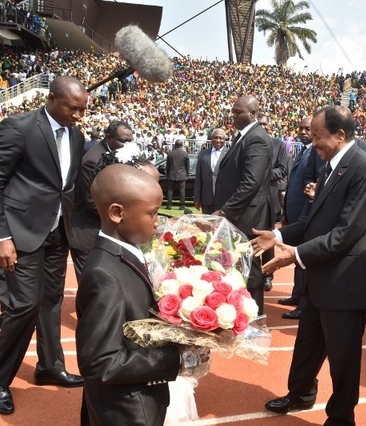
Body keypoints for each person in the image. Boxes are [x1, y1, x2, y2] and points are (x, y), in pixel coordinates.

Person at [251, 105, 366, 426]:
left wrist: (294, 255)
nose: (313, 144)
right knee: (308, 343)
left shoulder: (363, 168)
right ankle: (300, 393)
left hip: (346, 280)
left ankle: (341, 418)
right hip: (322, 275)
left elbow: (347, 231)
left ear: (340, 135)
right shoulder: (330, 166)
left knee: (343, 357)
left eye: (317, 137)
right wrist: (278, 234)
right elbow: (313, 221)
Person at [75, 164, 209, 426]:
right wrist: (178, 357)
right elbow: (100, 362)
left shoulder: (129, 252)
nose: (158, 221)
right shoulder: (104, 275)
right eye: (152, 213)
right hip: (127, 411)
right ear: (117, 213)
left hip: (139, 400)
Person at [0, 76, 88, 415]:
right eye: (72, 108)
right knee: (23, 304)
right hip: (20, 233)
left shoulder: (77, 136)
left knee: (51, 300)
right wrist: (3, 237)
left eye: (82, 110)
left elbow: (67, 187)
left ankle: (49, 366)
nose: (78, 115)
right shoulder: (18, 128)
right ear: (51, 99)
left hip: (57, 232)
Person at [213, 95, 272, 316]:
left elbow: (251, 182)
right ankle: (241, 314)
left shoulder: (256, 138)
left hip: (247, 218)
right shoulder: (244, 137)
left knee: (251, 272)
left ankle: (253, 317)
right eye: (234, 111)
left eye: (238, 112)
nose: (234, 116)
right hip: (240, 216)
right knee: (238, 268)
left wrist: (226, 210)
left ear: (253, 113)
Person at [69, 121, 133, 280]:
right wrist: (125, 215)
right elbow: (92, 202)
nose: (127, 145)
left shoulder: (120, 155)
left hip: (106, 234)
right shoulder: (93, 160)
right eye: (123, 141)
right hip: (88, 233)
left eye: (130, 141)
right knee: (90, 286)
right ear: (109, 137)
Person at [278, 116, 313, 319]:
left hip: (304, 216)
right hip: (293, 214)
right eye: (300, 128)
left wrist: (301, 217)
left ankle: (303, 303)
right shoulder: (301, 152)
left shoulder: (315, 154)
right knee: (296, 258)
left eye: (307, 128)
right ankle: (296, 294)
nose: (302, 132)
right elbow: (291, 186)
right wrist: (285, 212)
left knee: (303, 259)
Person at [257, 113, 290, 292]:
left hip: (269, 200)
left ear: (269, 127)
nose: (262, 126)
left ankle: (267, 275)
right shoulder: (249, 144)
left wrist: (259, 177)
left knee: (268, 238)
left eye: (264, 124)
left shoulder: (278, 145)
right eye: (259, 124)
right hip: (249, 201)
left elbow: (282, 170)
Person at [194, 128, 227, 214]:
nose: (218, 140)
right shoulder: (203, 154)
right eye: (215, 138)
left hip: (224, 199)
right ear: (211, 139)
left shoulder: (230, 154)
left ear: (225, 140)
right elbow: (198, 177)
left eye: (221, 138)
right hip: (206, 198)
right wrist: (197, 198)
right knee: (207, 225)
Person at [165, 139, 190, 211]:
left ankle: (169, 205)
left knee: (170, 190)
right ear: (182, 145)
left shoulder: (170, 153)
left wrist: (168, 174)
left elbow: (167, 166)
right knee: (182, 191)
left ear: (175, 145)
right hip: (182, 174)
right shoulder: (185, 154)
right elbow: (187, 166)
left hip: (172, 174)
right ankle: (182, 206)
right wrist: (186, 175)